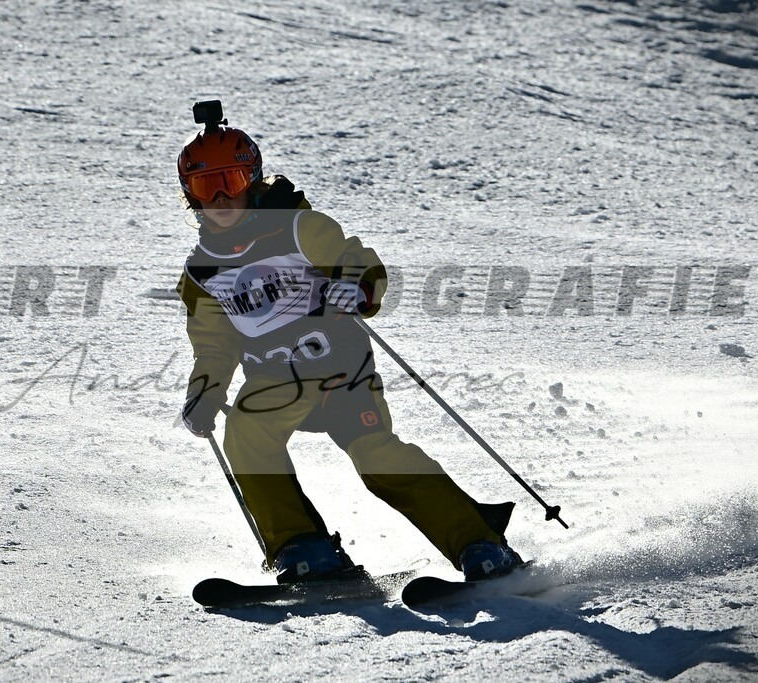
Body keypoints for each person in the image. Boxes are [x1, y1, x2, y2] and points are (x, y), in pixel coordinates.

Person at [175, 102, 524, 584]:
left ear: (251, 179)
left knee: (375, 455)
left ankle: (479, 544)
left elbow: (357, 260)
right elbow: (213, 346)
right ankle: (303, 548)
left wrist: (356, 287)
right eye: (204, 187)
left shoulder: (300, 228)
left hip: (340, 370)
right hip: (275, 380)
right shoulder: (200, 273)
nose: (219, 199)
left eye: (229, 182)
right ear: (188, 195)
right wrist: (206, 393)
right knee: (245, 433)